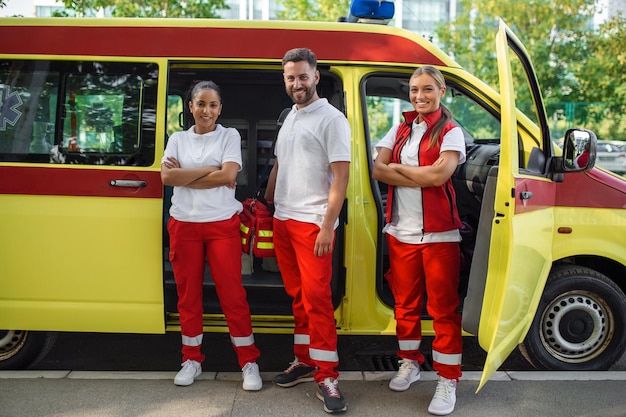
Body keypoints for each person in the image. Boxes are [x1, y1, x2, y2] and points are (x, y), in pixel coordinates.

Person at [372, 65, 466, 416]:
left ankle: (448, 378)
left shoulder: (452, 132)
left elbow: (441, 174)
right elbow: (378, 170)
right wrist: (421, 176)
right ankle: (410, 361)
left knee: (443, 309)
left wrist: (401, 173)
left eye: (427, 89)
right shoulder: (399, 128)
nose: (419, 96)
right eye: (414, 90)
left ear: (441, 91)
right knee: (405, 305)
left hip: (440, 236)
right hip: (401, 233)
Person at [264, 48, 351, 414]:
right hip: (283, 219)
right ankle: (304, 360)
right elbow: (281, 164)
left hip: (313, 223)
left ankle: (328, 376)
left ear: (316, 77)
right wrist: (268, 201)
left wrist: (327, 226)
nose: (296, 83)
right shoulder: (291, 117)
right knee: (297, 296)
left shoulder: (331, 119)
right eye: (290, 78)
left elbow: (341, 176)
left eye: (302, 76)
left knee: (317, 301)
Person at [161, 80, 262, 391]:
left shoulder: (229, 135)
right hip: (184, 225)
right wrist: (210, 170)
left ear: (220, 109)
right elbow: (167, 177)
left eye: (213, 105)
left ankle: (248, 362)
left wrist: (187, 175)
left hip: (222, 225)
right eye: (201, 103)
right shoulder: (177, 138)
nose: (207, 110)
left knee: (232, 294)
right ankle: (191, 359)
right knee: (187, 297)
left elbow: (229, 175)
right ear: (190, 106)